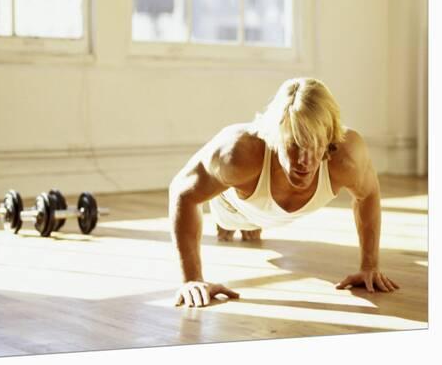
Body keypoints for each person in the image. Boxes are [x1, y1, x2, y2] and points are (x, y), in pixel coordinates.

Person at [168, 77, 399, 308]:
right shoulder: (237, 156)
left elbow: (367, 194)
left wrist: (369, 266)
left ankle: (255, 217)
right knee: (230, 224)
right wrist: (191, 279)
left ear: (329, 140)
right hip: (233, 208)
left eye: (314, 145)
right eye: (294, 144)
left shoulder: (348, 158)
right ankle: (235, 220)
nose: (303, 161)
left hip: (266, 204)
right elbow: (182, 191)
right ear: (275, 137)